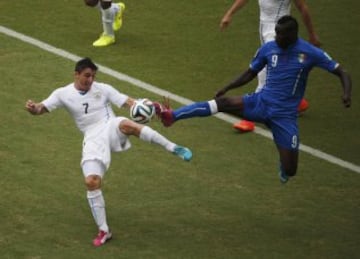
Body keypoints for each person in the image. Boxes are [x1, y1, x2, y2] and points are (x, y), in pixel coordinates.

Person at [157, 15, 351, 183]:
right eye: (275, 32)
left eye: (280, 34)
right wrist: (227, 87)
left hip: (284, 117)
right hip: (260, 103)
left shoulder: (309, 52)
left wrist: (346, 93)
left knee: (291, 170)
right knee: (223, 104)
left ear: (292, 35)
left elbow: (341, 71)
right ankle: (174, 116)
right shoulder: (269, 48)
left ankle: (283, 161)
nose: (276, 37)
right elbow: (250, 73)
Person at [25, 57, 193, 247]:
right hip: (92, 139)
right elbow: (41, 109)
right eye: (87, 76)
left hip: (110, 127)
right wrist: (33, 108)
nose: (90, 80)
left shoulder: (103, 89)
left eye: (93, 76)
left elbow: (129, 103)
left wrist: (154, 108)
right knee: (91, 182)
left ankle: (173, 148)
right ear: (76, 74)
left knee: (126, 124)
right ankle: (104, 230)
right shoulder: (62, 94)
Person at [220, 0, 321, 132]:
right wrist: (230, 13)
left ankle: (249, 119)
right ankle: (296, 101)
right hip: (264, 29)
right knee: (282, 69)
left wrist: (312, 35)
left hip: (279, 34)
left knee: (264, 72)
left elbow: (303, 7)